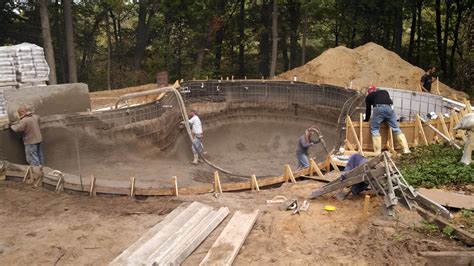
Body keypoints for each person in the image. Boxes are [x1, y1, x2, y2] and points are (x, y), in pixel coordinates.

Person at [364, 86, 410, 155]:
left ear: (369, 92)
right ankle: (406, 149)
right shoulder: (384, 91)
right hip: (390, 108)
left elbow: (368, 110)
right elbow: (388, 102)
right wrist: (386, 118)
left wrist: (366, 120)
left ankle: (378, 152)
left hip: (378, 108)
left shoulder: (368, 97)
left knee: (375, 129)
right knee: (396, 128)